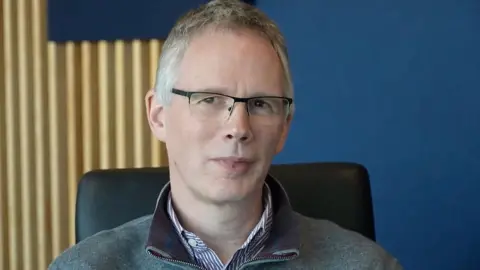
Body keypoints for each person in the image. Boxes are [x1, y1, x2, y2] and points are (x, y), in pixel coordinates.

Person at [49, 0, 403, 269]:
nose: (238, 128)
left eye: (261, 103)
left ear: (284, 128)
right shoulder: (84, 266)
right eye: (210, 99)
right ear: (158, 116)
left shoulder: (367, 265)